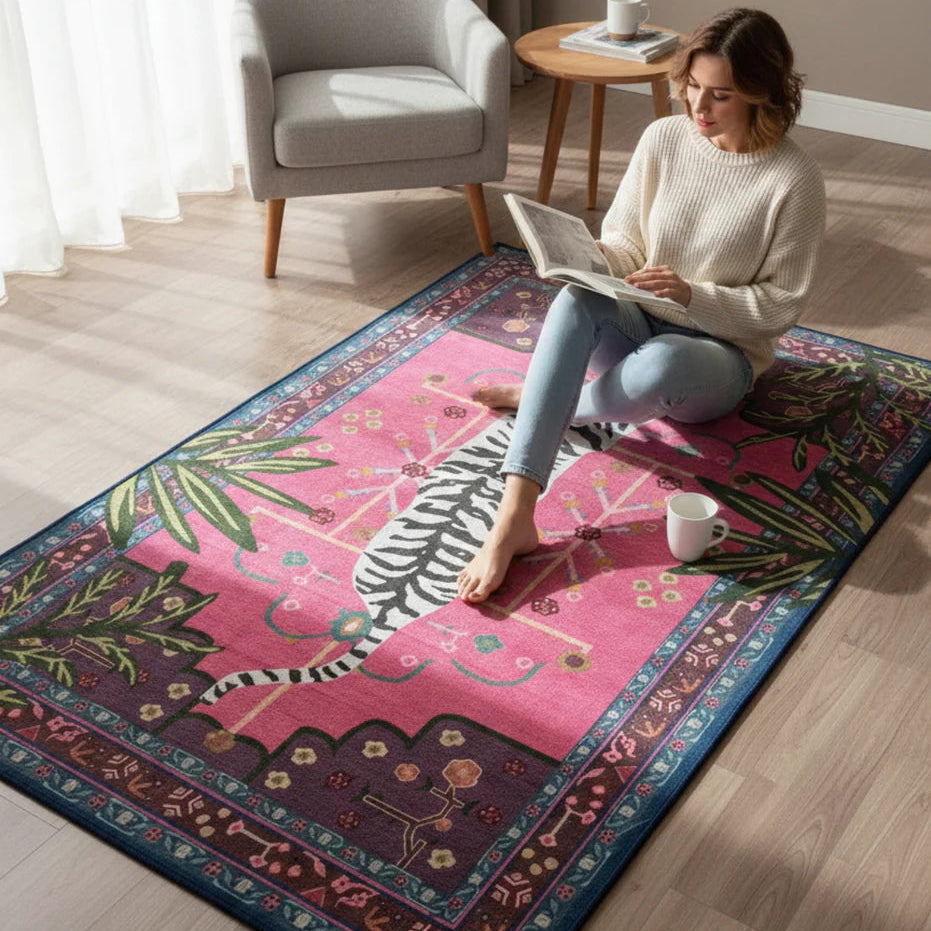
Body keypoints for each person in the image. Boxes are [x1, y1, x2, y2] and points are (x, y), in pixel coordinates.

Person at [456, 7, 826, 603]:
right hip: (636, 320)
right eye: (693, 87)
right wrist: (595, 258)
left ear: (762, 94)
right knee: (577, 299)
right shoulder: (664, 138)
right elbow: (627, 241)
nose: (699, 107)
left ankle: (554, 401)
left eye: (721, 95)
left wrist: (694, 294)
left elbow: (782, 305)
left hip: (716, 357)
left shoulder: (793, 179)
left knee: (665, 362)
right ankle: (515, 516)